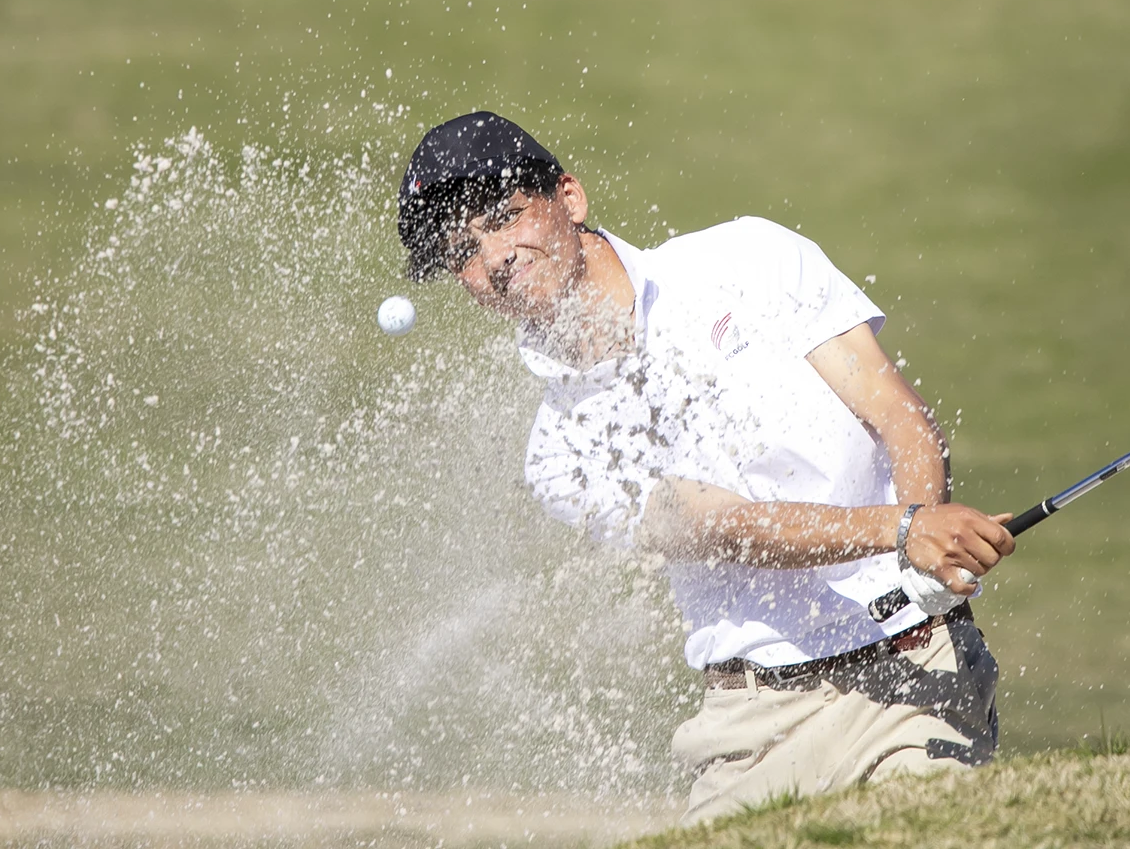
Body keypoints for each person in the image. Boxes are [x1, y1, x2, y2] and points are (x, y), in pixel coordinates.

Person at [396, 111, 1017, 823]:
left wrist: (924, 542)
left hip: (911, 675)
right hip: (748, 726)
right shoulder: (558, 455)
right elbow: (726, 528)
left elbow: (894, 410)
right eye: (462, 252)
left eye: (505, 217)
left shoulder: (748, 258)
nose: (495, 256)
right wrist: (902, 529)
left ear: (569, 198)